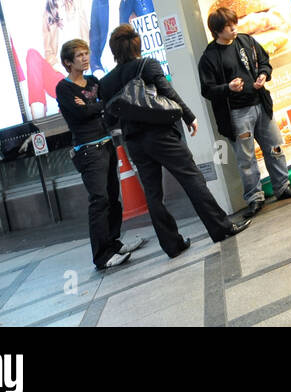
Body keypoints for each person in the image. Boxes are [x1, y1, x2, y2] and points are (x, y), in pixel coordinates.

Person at [98, 24, 248, 257]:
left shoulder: (106, 82)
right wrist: (189, 116)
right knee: (192, 180)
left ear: (114, 50)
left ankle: (171, 245)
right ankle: (221, 228)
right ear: (137, 45)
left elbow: (109, 118)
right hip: (162, 136)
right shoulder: (147, 65)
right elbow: (168, 93)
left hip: (135, 143)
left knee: (153, 194)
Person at [198, 7, 291, 217]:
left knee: (275, 148)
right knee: (246, 159)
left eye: (234, 24)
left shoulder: (246, 41)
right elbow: (207, 89)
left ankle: (282, 187)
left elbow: (265, 61)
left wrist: (264, 75)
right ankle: (255, 198)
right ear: (217, 31)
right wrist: (228, 88)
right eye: (229, 27)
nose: (234, 29)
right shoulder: (209, 57)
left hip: (261, 105)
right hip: (237, 114)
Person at [54, 38, 143, 270]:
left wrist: (92, 105)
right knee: (99, 200)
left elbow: (107, 105)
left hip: (106, 144)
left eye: (86, 53)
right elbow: (81, 114)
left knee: (113, 197)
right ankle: (101, 256)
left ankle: (113, 243)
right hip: (87, 150)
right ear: (67, 62)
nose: (85, 58)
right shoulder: (63, 88)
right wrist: (95, 106)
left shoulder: (93, 81)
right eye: (79, 55)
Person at [25, 0, 89, 119]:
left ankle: (67, 106)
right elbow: (49, 52)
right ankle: (38, 118)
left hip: (78, 72)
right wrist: (61, 67)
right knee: (32, 55)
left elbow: (86, 32)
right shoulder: (47, 14)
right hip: (59, 73)